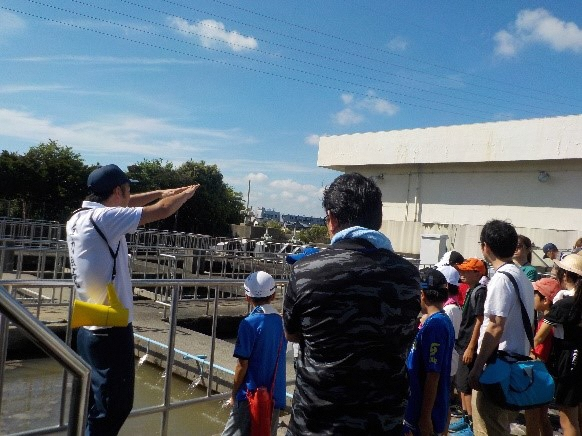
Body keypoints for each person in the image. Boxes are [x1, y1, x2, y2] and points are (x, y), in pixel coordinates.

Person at [283, 173, 420, 435]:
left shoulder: (306, 271)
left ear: (332, 219)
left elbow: (291, 333)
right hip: (383, 422)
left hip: (317, 424)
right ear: (377, 221)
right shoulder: (409, 277)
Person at [66, 164, 199, 435]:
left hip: (88, 322)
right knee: (114, 406)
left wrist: (161, 191)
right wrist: (186, 194)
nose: (130, 195)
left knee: (96, 403)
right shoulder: (105, 219)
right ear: (117, 191)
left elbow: (131, 203)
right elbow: (161, 211)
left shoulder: (79, 217)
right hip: (109, 329)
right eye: (127, 190)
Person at [468, 219, 535, 436]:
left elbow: (495, 326)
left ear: (485, 246)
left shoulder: (501, 279)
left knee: (488, 428)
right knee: (500, 427)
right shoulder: (521, 276)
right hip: (515, 366)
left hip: (497, 369)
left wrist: (477, 368)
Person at [222, 271, 287, 436]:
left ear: (247, 297)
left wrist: (233, 394)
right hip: (274, 394)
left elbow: (242, 364)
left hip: (250, 394)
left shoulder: (249, 323)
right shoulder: (281, 322)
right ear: (273, 295)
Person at [534, 254, 582, 436]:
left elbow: (539, 337)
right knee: (577, 414)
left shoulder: (565, 304)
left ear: (566, 275)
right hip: (578, 355)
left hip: (568, 357)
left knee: (567, 418)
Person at [404, 268, 455, 436]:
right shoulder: (435, 321)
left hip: (424, 412)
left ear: (422, 294)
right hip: (421, 408)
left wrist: (425, 416)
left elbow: (433, 374)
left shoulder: (436, 325)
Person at [449, 258, 487, 435]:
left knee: (466, 385)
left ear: (477, 273)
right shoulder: (472, 290)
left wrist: (471, 347)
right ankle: (465, 419)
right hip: (462, 342)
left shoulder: (480, 291)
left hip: (468, 344)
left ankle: (471, 425)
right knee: (461, 384)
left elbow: (480, 320)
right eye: (461, 270)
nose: (462, 273)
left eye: (466, 271)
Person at [525, 277, 560, 436]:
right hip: (547, 374)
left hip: (539, 373)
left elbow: (536, 350)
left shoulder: (547, 322)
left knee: (532, 415)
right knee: (542, 416)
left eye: (535, 294)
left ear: (545, 300)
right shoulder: (554, 320)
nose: (532, 298)